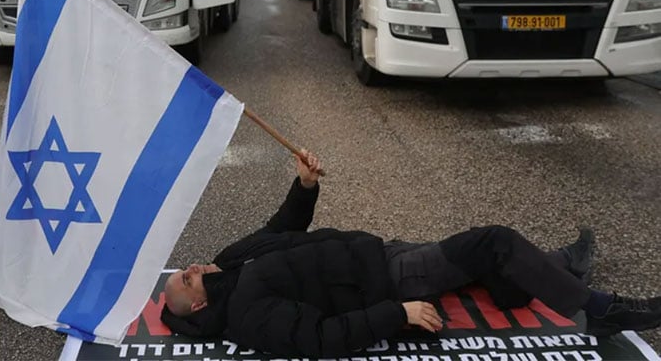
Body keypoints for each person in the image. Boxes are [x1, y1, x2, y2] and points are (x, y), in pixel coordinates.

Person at [161, 151, 661, 358]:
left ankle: (551, 272)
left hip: (379, 251)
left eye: (185, 270)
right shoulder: (247, 315)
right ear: (200, 304)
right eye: (187, 279)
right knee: (492, 242)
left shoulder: (230, 259)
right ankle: (597, 309)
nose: (191, 269)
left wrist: (305, 184)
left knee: (486, 265)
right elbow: (322, 338)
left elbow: (280, 229)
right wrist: (396, 314)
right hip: (390, 280)